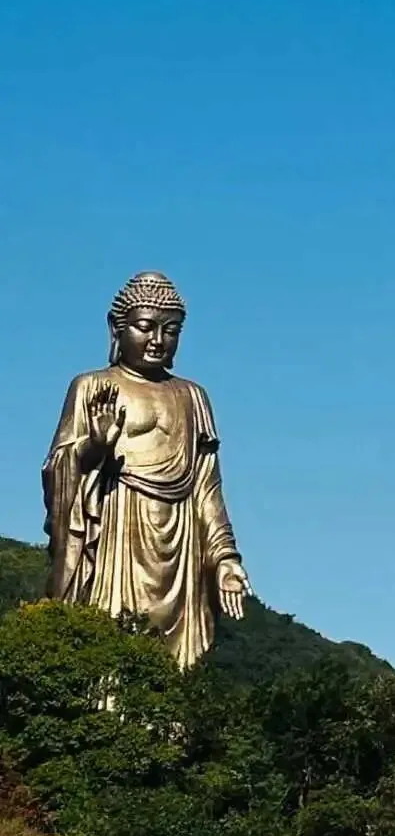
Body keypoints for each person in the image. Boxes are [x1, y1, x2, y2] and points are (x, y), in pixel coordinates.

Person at [43, 272, 250, 668]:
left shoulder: (192, 397)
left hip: (181, 545)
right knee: (109, 660)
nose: (157, 340)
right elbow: (59, 469)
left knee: (176, 675)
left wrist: (225, 557)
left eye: (170, 331)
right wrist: (94, 447)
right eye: (145, 327)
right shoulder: (91, 387)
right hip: (117, 533)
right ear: (116, 328)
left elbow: (207, 489)